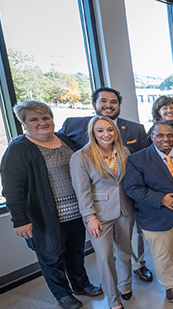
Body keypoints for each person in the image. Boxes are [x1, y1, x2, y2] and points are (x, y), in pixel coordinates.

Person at [0, 101, 101, 309]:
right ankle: (62, 294)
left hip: (75, 212)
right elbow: (12, 189)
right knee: (51, 256)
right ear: (23, 124)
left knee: (76, 252)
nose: (42, 123)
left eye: (46, 118)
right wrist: (20, 220)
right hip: (44, 216)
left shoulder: (64, 140)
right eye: (34, 119)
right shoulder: (19, 149)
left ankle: (81, 284)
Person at [59, 86, 153, 283]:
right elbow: (54, 140)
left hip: (127, 201)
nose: (108, 105)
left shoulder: (135, 129)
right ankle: (113, 289)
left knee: (131, 242)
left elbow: (146, 160)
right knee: (104, 254)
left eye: (113, 102)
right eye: (104, 101)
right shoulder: (73, 125)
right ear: (94, 104)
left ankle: (137, 267)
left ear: (119, 106)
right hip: (98, 204)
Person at [124, 122, 173, 303]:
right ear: (152, 136)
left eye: (169, 135)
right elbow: (132, 188)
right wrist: (161, 199)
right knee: (162, 253)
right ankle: (169, 285)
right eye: (160, 135)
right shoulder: (138, 159)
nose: (165, 139)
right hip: (155, 216)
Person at [70, 116, 133, 309]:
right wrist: (90, 217)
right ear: (92, 133)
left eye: (109, 129)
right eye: (100, 131)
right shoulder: (81, 157)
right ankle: (113, 298)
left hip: (125, 209)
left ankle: (125, 285)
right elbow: (82, 191)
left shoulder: (124, 151)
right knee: (105, 257)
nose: (106, 134)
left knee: (124, 251)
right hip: (98, 215)